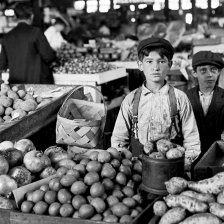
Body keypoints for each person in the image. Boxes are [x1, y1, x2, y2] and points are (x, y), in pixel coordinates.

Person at [111, 37, 201, 170]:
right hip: (138, 167)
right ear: (140, 65)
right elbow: (119, 139)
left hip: (171, 166)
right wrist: (124, 165)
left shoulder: (179, 98)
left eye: (161, 61)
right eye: (149, 61)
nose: (155, 67)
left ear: (170, 65)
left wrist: (185, 164)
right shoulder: (131, 99)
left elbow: (192, 139)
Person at [0, 3, 56, 84]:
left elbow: (2, 64)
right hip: (36, 83)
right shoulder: (36, 33)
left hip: (16, 85)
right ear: (32, 16)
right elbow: (49, 56)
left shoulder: (6, 37)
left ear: (15, 17)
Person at [186, 51, 224, 157]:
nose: (210, 74)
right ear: (194, 73)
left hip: (218, 155)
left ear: (219, 72)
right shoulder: (185, 97)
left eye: (213, 69)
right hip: (190, 153)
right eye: (203, 70)